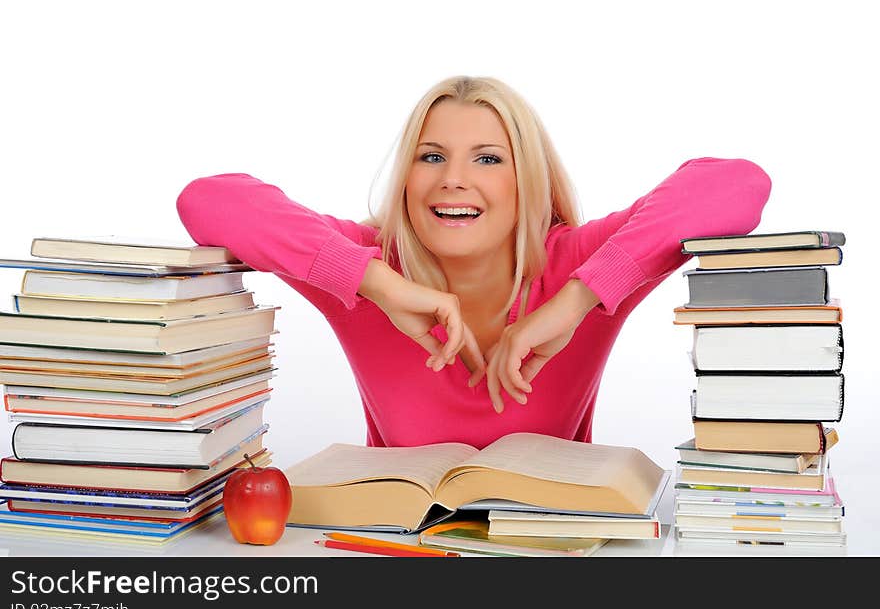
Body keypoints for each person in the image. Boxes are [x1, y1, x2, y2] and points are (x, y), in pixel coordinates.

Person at [176, 75, 772, 449]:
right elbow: (208, 200)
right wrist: (375, 283)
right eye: (431, 156)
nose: (454, 180)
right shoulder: (364, 265)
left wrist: (577, 299)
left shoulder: (582, 262)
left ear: (526, 180)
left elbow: (737, 186)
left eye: (487, 159)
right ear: (407, 178)